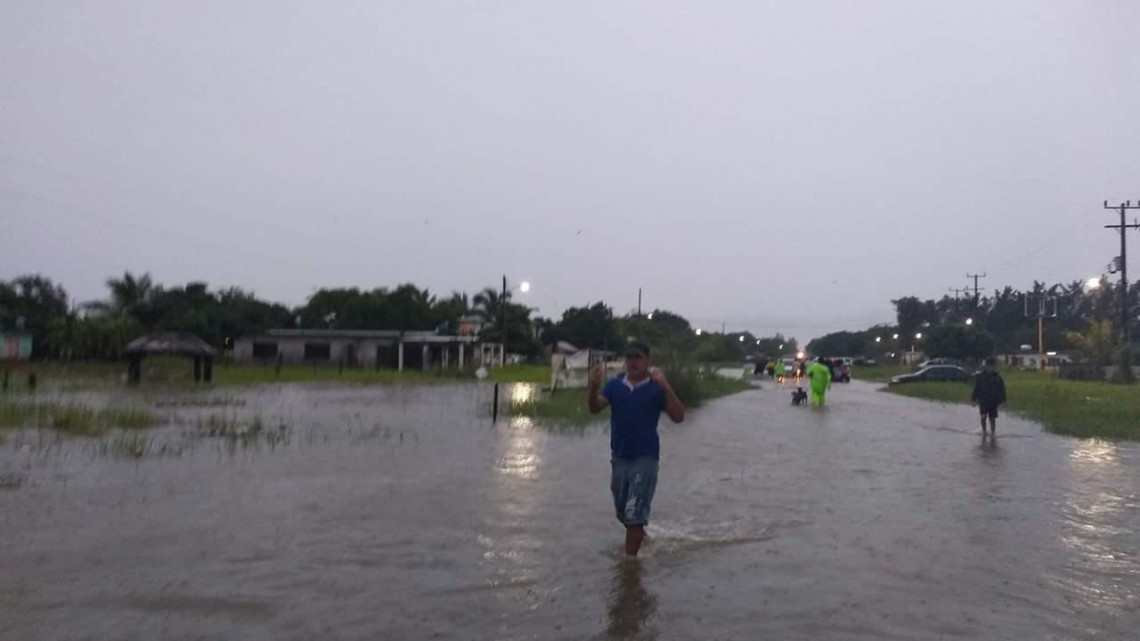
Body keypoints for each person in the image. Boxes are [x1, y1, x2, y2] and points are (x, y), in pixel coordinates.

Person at [588, 341, 685, 557]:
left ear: (648, 361)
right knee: (623, 512)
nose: (633, 362)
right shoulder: (615, 385)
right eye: (629, 357)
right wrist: (594, 387)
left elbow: (679, 417)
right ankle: (640, 534)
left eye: (638, 358)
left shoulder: (656, 387)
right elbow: (595, 408)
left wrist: (666, 385)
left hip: (645, 458)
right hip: (619, 457)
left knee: (633, 514)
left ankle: (630, 565)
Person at [971, 357, 1007, 436]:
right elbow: (977, 388)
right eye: (989, 366)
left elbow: (1002, 388)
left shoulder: (997, 377)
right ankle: (984, 431)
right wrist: (974, 398)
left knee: (992, 418)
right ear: (986, 366)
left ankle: (993, 433)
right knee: (983, 417)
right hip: (983, 401)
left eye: (992, 366)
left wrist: (1003, 399)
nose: (991, 368)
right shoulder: (980, 376)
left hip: (993, 401)